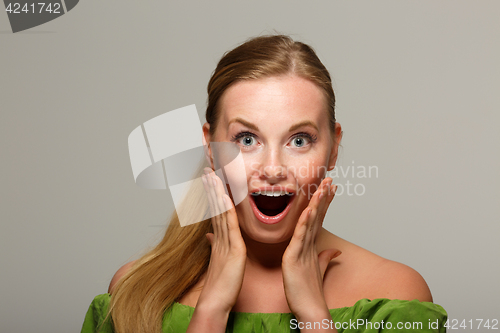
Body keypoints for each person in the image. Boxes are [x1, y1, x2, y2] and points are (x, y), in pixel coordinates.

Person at [81, 34, 447, 333]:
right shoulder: (136, 291)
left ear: (334, 148)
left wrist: (313, 316)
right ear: (211, 147)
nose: (273, 168)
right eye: (246, 140)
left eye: (299, 140)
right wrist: (211, 311)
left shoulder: (397, 294)